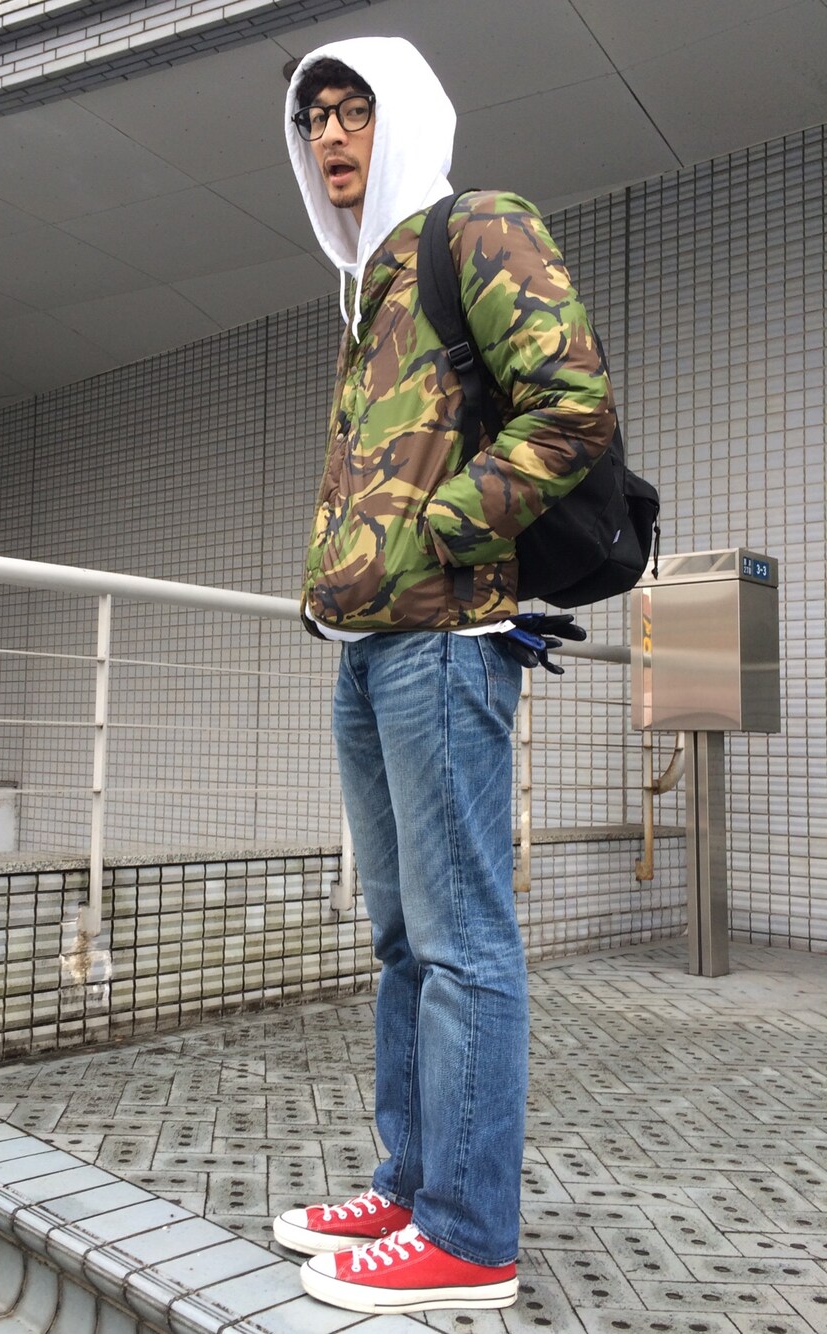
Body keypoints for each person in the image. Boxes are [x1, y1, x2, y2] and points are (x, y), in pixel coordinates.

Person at [273, 36, 616, 1315]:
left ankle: (468, 1238)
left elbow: (570, 402)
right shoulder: (368, 289)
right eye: (312, 117)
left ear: (403, 114)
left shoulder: (475, 225)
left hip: (448, 641)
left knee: (464, 939)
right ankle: (413, 1183)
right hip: (369, 649)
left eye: (352, 109)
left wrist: (443, 532)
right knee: (402, 940)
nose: (329, 134)